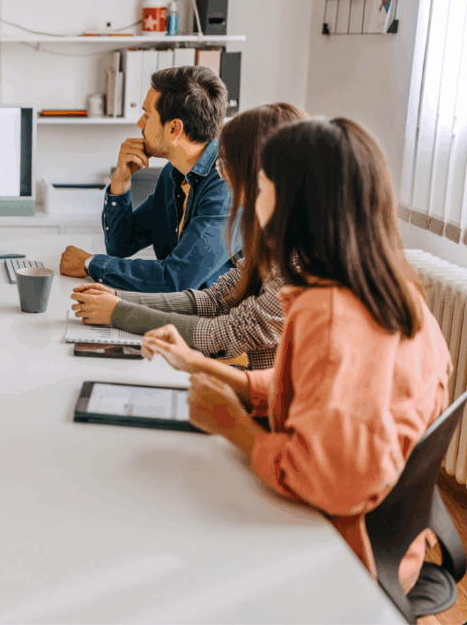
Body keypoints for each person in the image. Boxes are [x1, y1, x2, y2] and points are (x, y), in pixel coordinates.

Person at [142, 118, 452, 590]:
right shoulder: (394, 291)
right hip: (392, 541)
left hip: (344, 553)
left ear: (292, 203)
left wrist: (234, 426)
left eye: (262, 184)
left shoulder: (327, 311)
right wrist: (214, 372)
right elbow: (327, 393)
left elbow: (327, 480)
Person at [69, 103, 309, 370]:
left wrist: (118, 311)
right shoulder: (272, 242)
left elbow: (224, 331)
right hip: (249, 378)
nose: (228, 178)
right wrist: (116, 298)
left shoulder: (303, 264)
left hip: (265, 396)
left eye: (234, 167)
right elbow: (215, 299)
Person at [59, 65, 233, 292]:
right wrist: (120, 181)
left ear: (174, 129)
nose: (140, 124)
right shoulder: (173, 173)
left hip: (211, 322)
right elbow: (122, 246)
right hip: (175, 311)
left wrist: (89, 264)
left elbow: (176, 278)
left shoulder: (226, 184)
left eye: (147, 115)